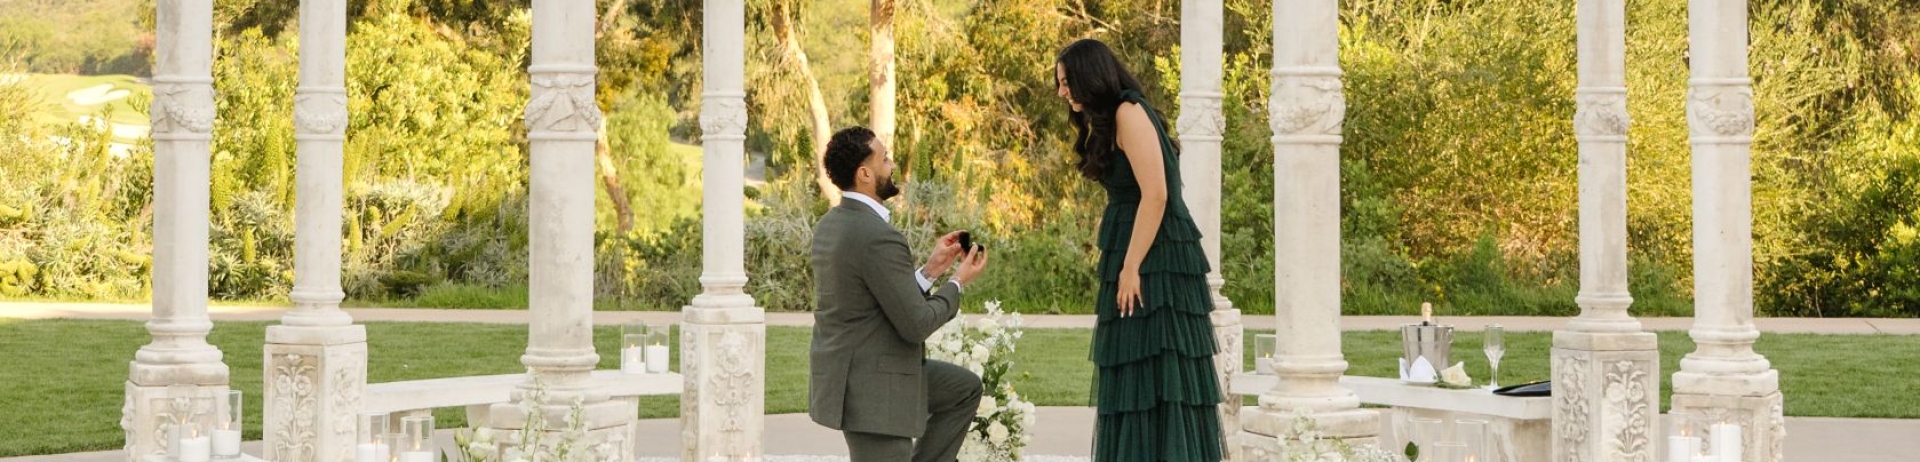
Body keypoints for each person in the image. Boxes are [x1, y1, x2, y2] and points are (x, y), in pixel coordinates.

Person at [1055, 38, 1224, 462]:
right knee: (1132, 373)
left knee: (1160, 375)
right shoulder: (1108, 120)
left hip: (1155, 259)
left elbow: (1157, 195)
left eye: (1066, 82)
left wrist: (1131, 268)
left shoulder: (1129, 113)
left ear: (1089, 77)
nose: (1062, 92)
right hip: (1133, 250)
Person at [806, 126, 992, 462]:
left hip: (854, 374)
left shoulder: (832, 224)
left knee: (963, 389)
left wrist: (931, 271)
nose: (891, 164)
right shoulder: (878, 235)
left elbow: (876, 300)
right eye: (885, 158)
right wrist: (957, 283)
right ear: (864, 173)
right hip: (874, 389)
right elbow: (916, 324)